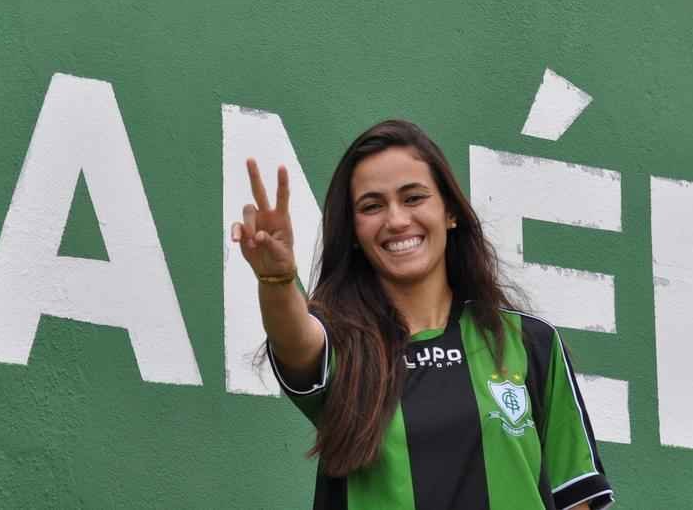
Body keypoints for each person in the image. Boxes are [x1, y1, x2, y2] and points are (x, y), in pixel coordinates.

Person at [231, 120, 613, 510]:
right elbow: (296, 341)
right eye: (372, 206)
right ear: (356, 233)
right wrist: (277, 281)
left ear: (449, 212)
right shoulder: (342, 344)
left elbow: (576, 501)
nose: (396, 220)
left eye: (413, 198)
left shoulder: (530, 342)